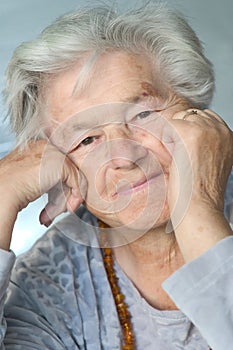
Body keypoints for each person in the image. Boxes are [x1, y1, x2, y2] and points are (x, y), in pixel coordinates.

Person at [0, 1, 233, 349]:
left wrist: (197, 204)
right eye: (87, 140)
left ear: (196, 110)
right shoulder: (50, 282)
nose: (124, 156)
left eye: (142, 115)